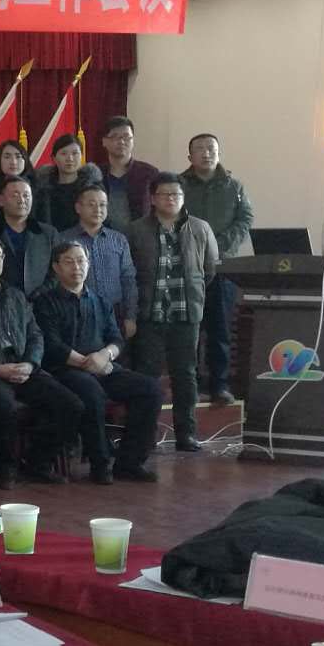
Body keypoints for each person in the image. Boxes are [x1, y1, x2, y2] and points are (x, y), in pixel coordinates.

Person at [0, 236, 83, 488]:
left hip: (22, 366)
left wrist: (30, 363)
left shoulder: (15, 295)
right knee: (5, 407)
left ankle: (37, 461)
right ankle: (6, 467)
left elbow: (35, 335)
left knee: (71, 404)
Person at [32, 241, 162, 484]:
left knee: (150, 389)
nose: (77, 267)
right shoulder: (45, 302)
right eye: (69, 262)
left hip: (103, 365)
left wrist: (105, 356)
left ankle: (130, 462)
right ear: (56, 268)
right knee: (92, 393)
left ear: (88, 264)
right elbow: (51, 344)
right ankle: (100, 464)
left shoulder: (100, 301)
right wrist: (87, 362)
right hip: (65, 369)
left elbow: (116, 338)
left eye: (81, 261)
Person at [128, 173, 220, 452]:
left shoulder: (200, 228)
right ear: (153, 198)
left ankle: (186, 434)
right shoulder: (135, 230)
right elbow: (129, 272)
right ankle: (145, 434)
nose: (171, 199)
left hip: (185, 313)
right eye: (165, 194)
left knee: (186, 375)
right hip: (149, 314)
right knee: (147, 376)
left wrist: (194, 294)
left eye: (176, 194)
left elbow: (210, 269)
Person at [180, 133, 253, 406]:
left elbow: (245, 219)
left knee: (220, 329)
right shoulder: (179, 185)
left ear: (219, 153)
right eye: (199, 149)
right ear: (190, 157)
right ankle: (189, 384)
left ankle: (219, 385)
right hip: (187, 267)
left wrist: (217, 245)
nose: (206, 153)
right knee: (188, 329)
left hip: (223, 267)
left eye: (211, 148)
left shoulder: (234, 186)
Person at [61, 184, 137, 339]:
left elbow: (128, 279)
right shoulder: (63, 239)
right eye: (91, 204)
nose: (98, 209)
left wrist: (130, 316)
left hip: (116, 314)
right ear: (78, 208)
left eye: (102, 205)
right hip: (78, 313)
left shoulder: (119, 239)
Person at [0, 175, 55, 296]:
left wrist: (41, 293)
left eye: (26, 195)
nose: (22, 200)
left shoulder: (48, 234)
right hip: (1, 299)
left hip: (43, 300)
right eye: (15, 195)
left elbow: (57, 271)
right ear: (0, 200)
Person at [98, 117, 158, 232]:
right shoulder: (96, 175)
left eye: (126, 137)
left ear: (133, 140)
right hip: (103, 237)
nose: (121, 142)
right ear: (104, 141)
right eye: (115, 136)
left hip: (140, 237)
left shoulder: (149, 173)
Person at [33, 133, 102, 232]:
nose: (70, 158)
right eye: (64, 153)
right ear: (54, 158)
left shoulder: (92, 187)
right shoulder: (42, 189)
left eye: (75, 153)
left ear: (82, 156)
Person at [0, 139, 35, 208]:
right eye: (7, 157)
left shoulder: (39, 191)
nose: (13, 162)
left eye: (18, 157)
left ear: (25, 160)